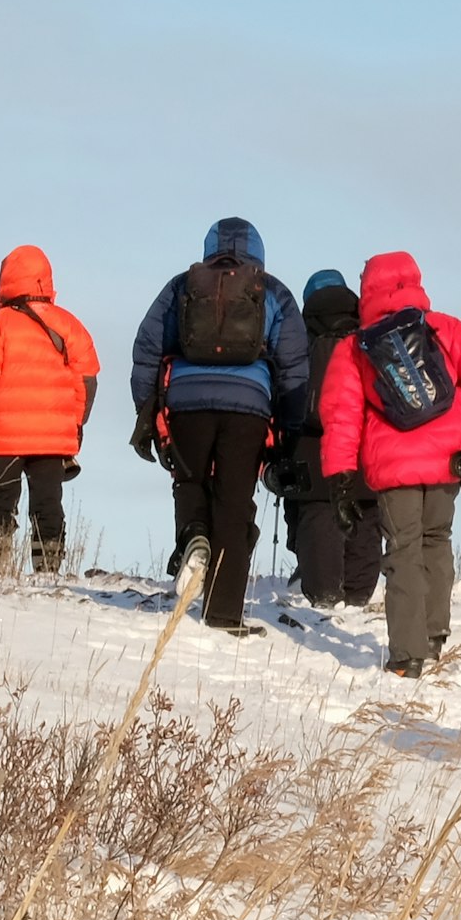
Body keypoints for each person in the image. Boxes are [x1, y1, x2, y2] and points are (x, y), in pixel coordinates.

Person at [314, 251, 461, 677]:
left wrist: (341, 478)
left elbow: (341, 415)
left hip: (393, 465)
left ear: (367, 291)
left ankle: (406, 656)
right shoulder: (444, 329)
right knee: (437, 539)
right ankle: (435, 635)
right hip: (448, 460)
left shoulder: (355, 347)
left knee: (402, 550)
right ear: (414, 282)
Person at [129, 217, 310, 635]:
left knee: (189, 481)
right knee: (234, 500)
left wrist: (147, 410)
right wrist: (290, 427)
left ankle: (194, 534)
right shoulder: (272, 291)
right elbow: (295, 366)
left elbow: (148, 348)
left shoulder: (182, 285)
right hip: (249, 406)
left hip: (187, 401)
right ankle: (224, 613)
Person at [0, 244, 99, 577]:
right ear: (45, 280)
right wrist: (75, 422)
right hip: (52, 439)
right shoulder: (69, 326)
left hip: (4, 437)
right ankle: (48, 567)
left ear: (6, 281)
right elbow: (86, 379)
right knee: (47, 505)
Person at [282, 269, 388, 610]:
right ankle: (358, 594)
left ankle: (323, 594)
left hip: (310, 442)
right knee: (365, 511)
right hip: (360, 438)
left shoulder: (297, 333)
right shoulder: (368, 332)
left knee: (316, 511)